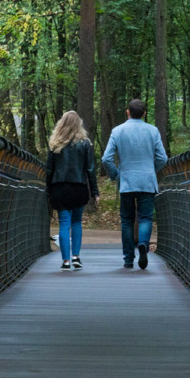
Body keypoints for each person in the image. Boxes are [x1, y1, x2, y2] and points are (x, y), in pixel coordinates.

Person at [101, 98, 168, 269]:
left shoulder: (117, 131)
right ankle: (143, 244)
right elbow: (163, 158)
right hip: (147, 181)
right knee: (146, 217)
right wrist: (151, 169)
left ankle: (128, 259)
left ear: (127, 112)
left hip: (127, 182)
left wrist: (116, 175)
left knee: (127, 220)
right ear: (144, 113)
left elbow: (106, 159)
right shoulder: (153, 131)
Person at [45, 111, 99, 271]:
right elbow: (90, 169)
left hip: (59, 187)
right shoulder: (85, 143)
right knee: (76, 222)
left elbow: (49, 170)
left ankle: (65, 261)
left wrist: (47, 188)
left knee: (64, 223)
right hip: (78, 187)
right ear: (79, 124)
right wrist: (95, 191)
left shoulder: (55, 144)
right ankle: (76, 256)